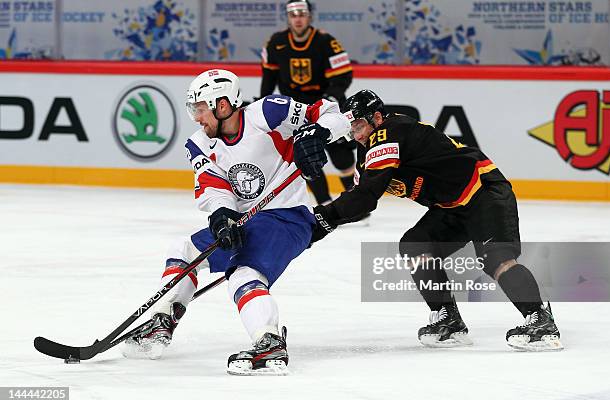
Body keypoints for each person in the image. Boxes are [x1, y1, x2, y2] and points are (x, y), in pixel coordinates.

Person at [293, 89, 563, 351]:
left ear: (377, 118)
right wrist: (323, 222)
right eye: (351, 128)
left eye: (360, 124)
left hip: (483, 190)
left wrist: (320, 220)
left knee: (496, 258)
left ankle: (540, 319)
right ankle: (449, 319)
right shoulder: (366, 153)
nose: (356, 134)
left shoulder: (388, 132)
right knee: (416, 245)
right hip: (451, 205)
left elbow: (365, 197)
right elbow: (358, 199)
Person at [121, 69, 350, 375]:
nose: (197, 118)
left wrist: (319, 133)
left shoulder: (268, 113)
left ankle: (269, 342)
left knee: (243, 273)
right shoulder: (199, 144)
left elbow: (332, 113)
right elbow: (214, 187)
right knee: (184, 250)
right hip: (247, 221)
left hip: (287, 217)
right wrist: (222, 216)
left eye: (201, 109)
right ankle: (162, 322)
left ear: (223, 105)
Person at [260, 0, 357, 207]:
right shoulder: (275, 42)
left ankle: (354, 201)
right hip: (293, 109)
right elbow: (268, 77)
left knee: (341, 156)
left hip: (324, 104)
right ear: (287, 17)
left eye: (302, 13)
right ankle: (324, 203)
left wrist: (332, 96)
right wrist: (263, 102)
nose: (298, 18)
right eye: (293, 14)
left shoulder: (326, 42)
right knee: (305, 154)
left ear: (309, 16)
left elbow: (343, 75)